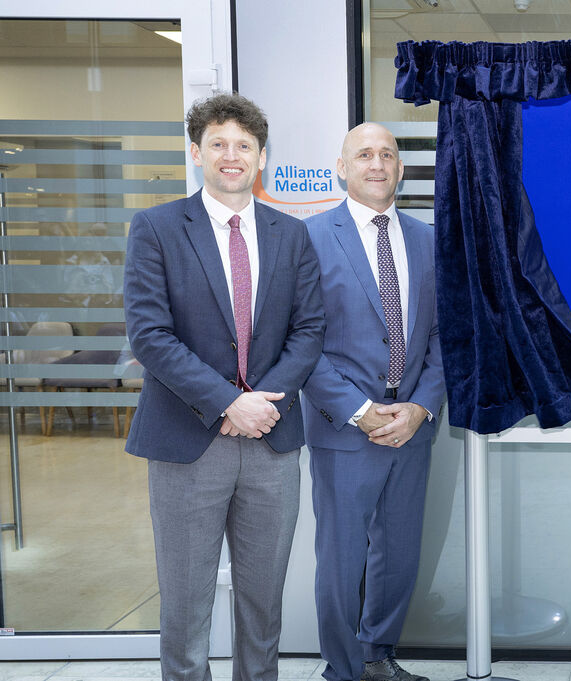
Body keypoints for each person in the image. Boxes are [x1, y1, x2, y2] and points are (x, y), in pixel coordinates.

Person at [123, 92, 324, 681]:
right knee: (185, 606)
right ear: (196, 153)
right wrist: (227, 401)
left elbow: (309, 330)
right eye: (218, 144)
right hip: (189, 443)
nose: (231, 155)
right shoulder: (156, 228)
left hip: (270, 442)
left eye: (244, 145)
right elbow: (150, 335)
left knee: (262, 605)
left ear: (261, 157)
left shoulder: (292, 235)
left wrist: (259, 405)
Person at [301, 122, 445, 681]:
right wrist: (360, 411)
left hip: (412, 426)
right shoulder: (310, 238)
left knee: (400, 555)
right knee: (340, 560)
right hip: (345, 428)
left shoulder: (428, 240)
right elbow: (300, 340)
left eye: (388, 154)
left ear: (401, 169)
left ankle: (378, 657)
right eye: (364, 154)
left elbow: (441, 336)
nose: (378, 164)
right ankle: (341, 670)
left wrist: (420, 407)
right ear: (342, 167)